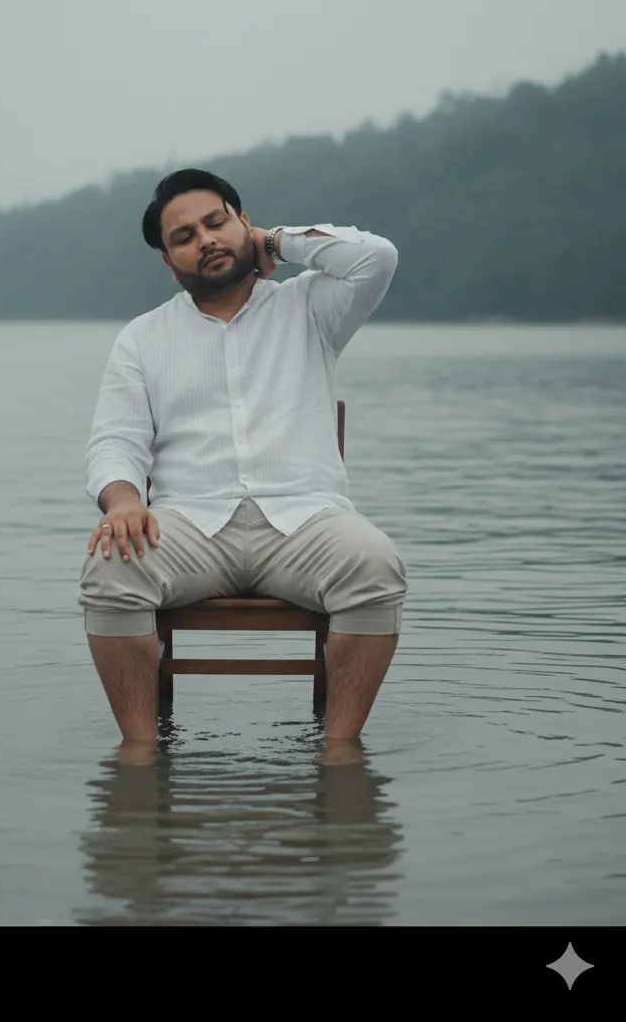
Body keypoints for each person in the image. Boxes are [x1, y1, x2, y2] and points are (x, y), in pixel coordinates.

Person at [79, 168, 407, 744]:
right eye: (183, 237)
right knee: (111, 569)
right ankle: (138, 752)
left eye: (216, 222)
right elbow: (115, 440)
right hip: (190, 527)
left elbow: (375, 257)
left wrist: (278, 243)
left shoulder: (310, 308)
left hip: (306, 521)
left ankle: (339, 748)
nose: (204, 240)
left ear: (243, 222)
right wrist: (124, 499)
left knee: (375, 564)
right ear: (168, 260)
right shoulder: (143, 337)